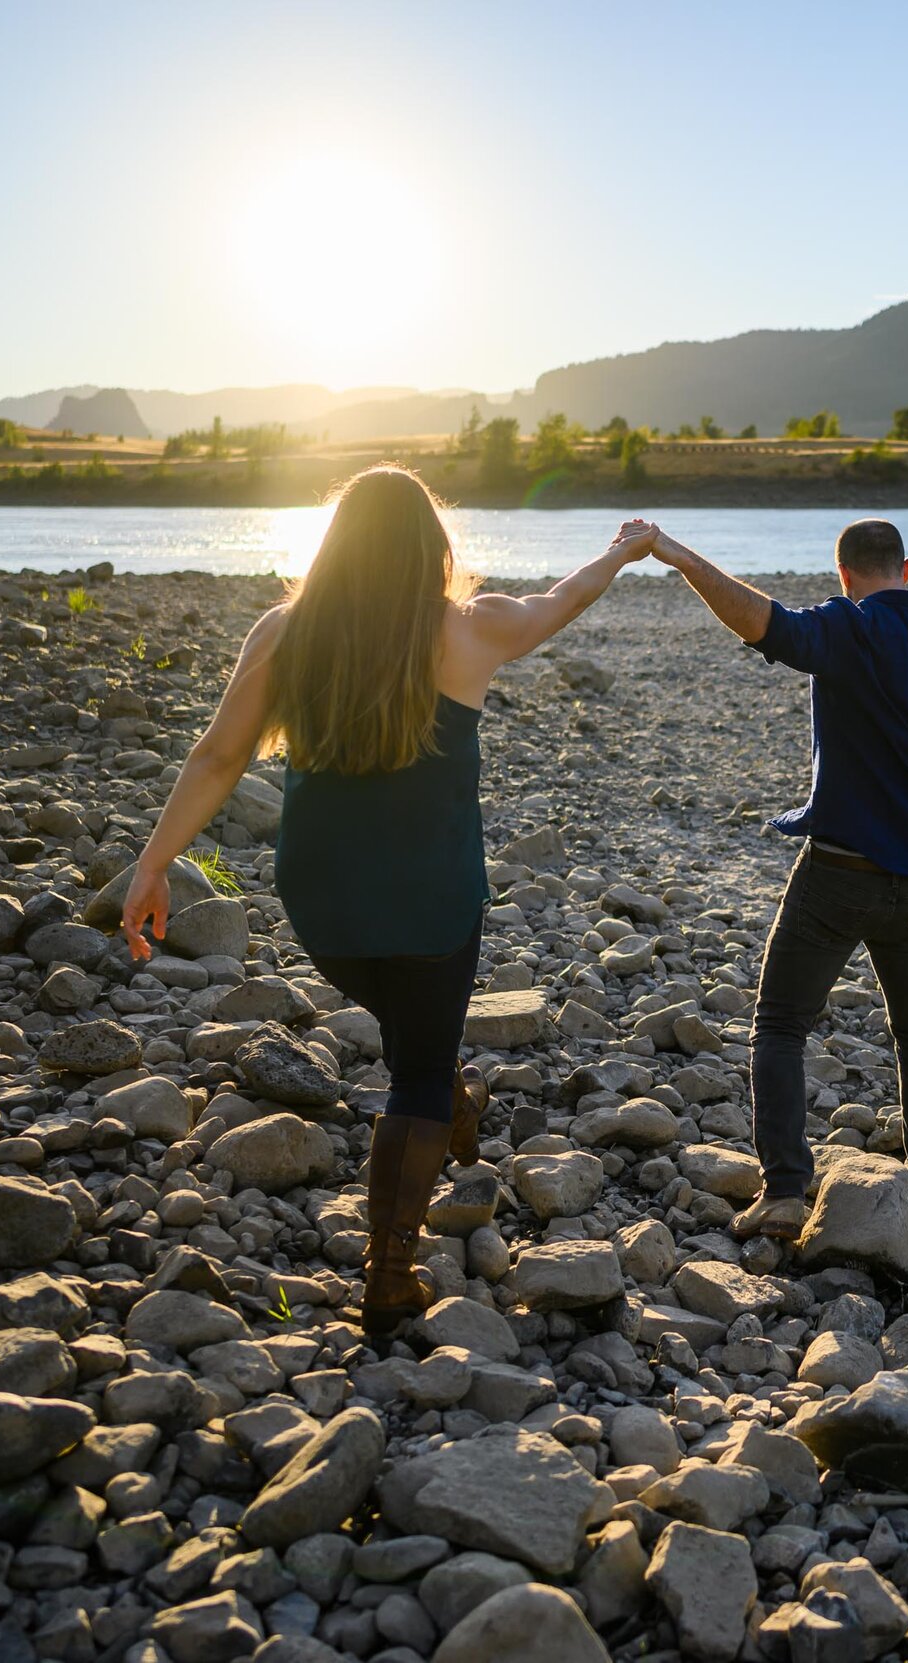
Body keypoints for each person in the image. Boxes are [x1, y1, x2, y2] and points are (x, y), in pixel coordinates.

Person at [120, 466, 651, 1332]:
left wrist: (152, 863)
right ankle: (389, 1270)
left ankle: (452, 1103)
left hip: (322, 899)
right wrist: (627, 551)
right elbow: (563, 598)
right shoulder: (471, 631)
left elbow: (218, 756)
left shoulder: (284, 633)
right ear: (431, 550)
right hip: (431, 894)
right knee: (418, 1072)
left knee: (419, 1043)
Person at [629, 517, 908, 1240]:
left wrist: (674, 555)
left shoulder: (845, 628)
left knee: (780, 1023)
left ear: (845, 578)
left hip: (836, 876)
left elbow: (758, 620)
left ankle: (787, 1191)